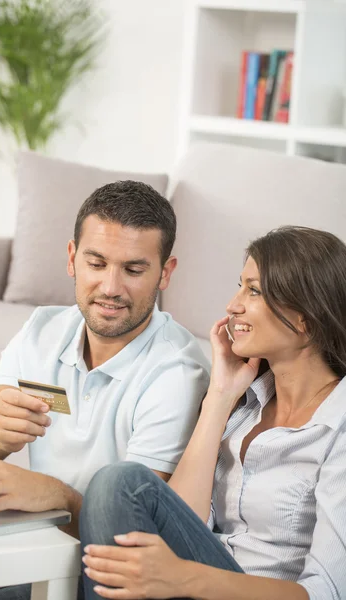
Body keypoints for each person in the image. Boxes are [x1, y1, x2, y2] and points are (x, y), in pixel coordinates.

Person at [0, 180, 209, 599]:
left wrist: (57, 497)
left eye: (134, 269)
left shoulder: (177, 372)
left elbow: (135, 534)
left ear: (166, 273)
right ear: (72, 258)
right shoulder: (41, 331)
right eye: (97, 263)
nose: (110, 287)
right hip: (34, 547)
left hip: (97, 577)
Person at [80, 225, 346, 600]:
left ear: (306, 317)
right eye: (240, 286)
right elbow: (184, 521)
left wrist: (186, 578)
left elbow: (327, 593)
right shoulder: (245, 405)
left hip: (225, 589)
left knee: (122, 483)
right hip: (194, 583)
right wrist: (220, 396)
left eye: (253, 290)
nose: (233, 304)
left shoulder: (338, 427)